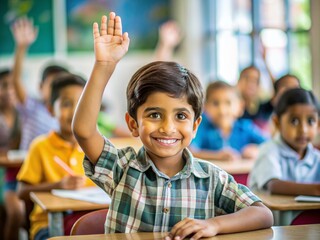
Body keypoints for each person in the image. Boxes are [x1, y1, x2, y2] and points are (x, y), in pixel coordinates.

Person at [72, 12, 273, 240]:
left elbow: (263, 214)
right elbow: (84, 131)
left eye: (180, 116)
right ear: (133, 124)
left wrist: (214, 225)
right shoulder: (122, 167)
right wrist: (104, 65)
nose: (168, 127)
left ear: (195, 125)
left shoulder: (212, 178)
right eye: (155, 114)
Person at [17, 73, 95, 240]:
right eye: (66, 104)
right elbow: (22, 192)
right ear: (51, 109)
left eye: (81, 103)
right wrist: (58, 185)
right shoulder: (40, 146)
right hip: (47, 224)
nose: (75, 111)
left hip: (88, 222)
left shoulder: (95, 147)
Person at [248, 88, 320, 195]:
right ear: (277, 123)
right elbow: (274, 185)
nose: (303, 130)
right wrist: (316, 190)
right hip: (269, 212)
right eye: (294, 121)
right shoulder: (269, 150)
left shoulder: (316, 157)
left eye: (310, 121)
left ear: (318, 125)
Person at [190, 81, 267, 161]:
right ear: (205, 107)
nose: (222, 110)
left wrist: (257, 150)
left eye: (228, 103)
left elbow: (270, 144)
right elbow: (190, 152)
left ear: (240, 107)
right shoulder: (201, 127)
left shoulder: (245, 128)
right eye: (215, 103)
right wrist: (217, 156)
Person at [0, 69, 22, 240]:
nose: (9, 91)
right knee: (13, 211)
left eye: (12, 86)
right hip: (4, 173)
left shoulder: (23, 114)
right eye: (3, 86)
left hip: (18, 172)